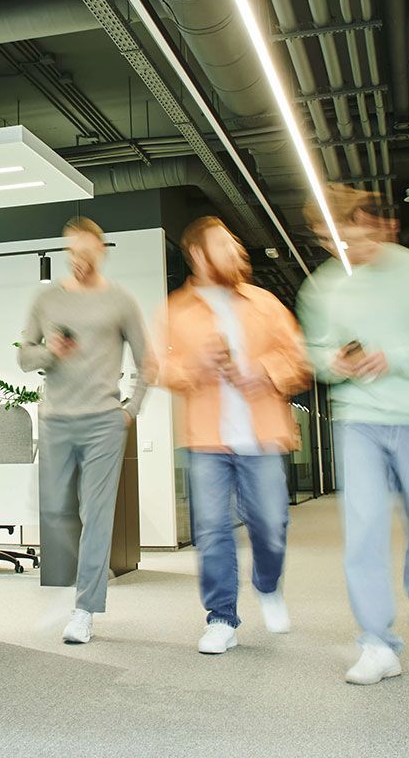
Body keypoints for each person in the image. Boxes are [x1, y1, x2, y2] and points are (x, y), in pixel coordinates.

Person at [297, 187, 409, 685]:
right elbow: (315, 352)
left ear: (369, 222)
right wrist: (331, 362)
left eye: (347, 235)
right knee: (364, 528)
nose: (341, 250)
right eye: (329, 242)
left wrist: (393, 356)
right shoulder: (323, 289)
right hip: (359, 419)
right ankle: (377, 643)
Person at [152, 217, 311, 655]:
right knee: (212, 530)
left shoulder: (263, 303)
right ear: (200, 255)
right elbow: (158, 368)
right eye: (226, 244)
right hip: (208, 442)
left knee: (271, 526)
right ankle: (221, 617)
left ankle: (267, 583)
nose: (238, 251)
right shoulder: (175, 311)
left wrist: (265, 372)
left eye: (236, 243)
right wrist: (193, 368)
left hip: (262, 438)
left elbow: (299, 361)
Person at [18, 216, 149, 645]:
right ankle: (83, 578)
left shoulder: (121, 301)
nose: (79, 259)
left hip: (103, 422)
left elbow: (148, 362)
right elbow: (24, 357)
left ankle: (84, 606)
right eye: (72, 251)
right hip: (55, 418)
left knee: (97, 514)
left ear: (101, 252)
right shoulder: (46, 299)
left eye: (86, 251)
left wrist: (130, 409)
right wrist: (49, 351)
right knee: (55, 508)